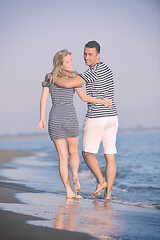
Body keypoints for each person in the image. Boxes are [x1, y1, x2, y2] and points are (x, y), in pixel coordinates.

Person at [38, 49, 112, 199]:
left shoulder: (50, 78)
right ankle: (75, 174)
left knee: (62, 157)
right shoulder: (74, 77)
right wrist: (102, 101)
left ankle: (69, 191)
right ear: (60, 64)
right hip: (70, 119)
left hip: (55, 119)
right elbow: (84, 98)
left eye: (71, 60)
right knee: (73, 153)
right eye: (68, 61)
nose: (71, 63)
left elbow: (44, 99)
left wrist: (42, 118)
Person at [54, 41, 118, 200]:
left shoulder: (92, 72)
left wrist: (52, 77)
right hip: (112, 116)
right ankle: (108, 194)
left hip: (97, 117)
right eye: (84, 53)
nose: (86, 57)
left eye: (90, 54)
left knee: (87, 153)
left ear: (98, 55)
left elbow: (68, 83)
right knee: (110, 155)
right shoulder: (107, 68)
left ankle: (101, 181)